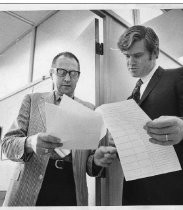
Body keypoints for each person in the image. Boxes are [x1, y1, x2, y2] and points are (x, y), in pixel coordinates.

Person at [1, 51, 117, 206]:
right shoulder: (32, 100)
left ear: (78, 76)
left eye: (73, 73)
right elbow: (6, 144)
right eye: (61, 72)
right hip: (30, 185)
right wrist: (30, 142)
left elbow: (88, 162)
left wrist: (96, 160)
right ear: (51, 73)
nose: (67, 78)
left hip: (71, 188)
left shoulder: (89, 110)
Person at [117, 25, 183, 205]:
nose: (130, 62)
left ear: (155, 53)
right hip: (137, 195)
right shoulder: (130, 98)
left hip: (175, 194)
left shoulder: (179, 76)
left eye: (137, 55)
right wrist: (119, 146)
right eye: (127, 56)